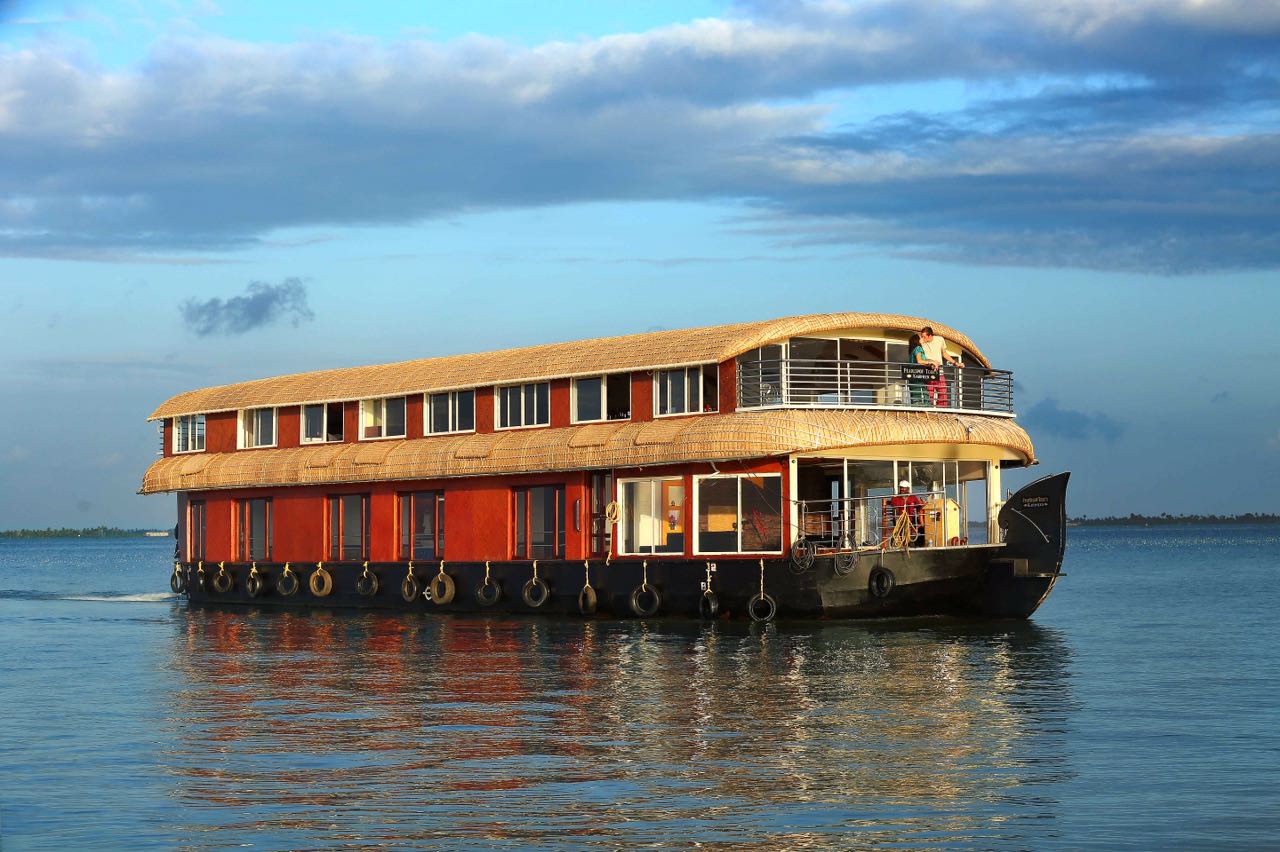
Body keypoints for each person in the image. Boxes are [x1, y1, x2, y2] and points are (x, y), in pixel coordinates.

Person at [919, 326, 962, 407]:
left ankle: (941, 412)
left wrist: (955, 362)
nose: (923, 338)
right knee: (929, 394)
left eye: (924, 336)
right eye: (922, 336)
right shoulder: (921, 343)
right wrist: (920, 343)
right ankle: (929, 411)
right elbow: (919, 357)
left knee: (942, 393)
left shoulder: (939, 339)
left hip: (939, 370)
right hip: (927, 371)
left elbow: (944, 353)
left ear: (930, 335)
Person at [883, 480, 925, 547]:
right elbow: (895, 509)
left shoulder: (913, 497)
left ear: (908, 488)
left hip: (911, 520)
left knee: (923, 529)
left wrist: (921, 521)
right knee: (902, 528)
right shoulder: (895, 498)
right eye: (901, 487)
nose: (902, 489)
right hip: (899, 520)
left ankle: (919, 545)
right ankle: (905, 544)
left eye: (904, 488)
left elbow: (919, 507)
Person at [907, 333, 929, 406]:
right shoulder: (918, 348)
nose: (923, 338)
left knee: (915, 395)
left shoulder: (912, 351)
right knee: (923, 394)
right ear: (917, 340)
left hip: (912, 375)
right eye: (921, 337)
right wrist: (931, 362)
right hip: (918, 374)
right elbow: (919, 361)